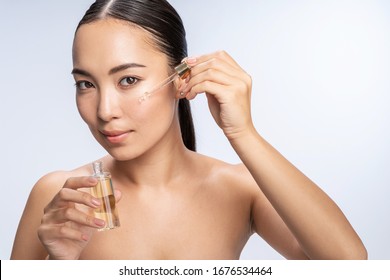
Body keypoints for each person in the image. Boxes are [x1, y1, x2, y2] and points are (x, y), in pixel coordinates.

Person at [11, 0, 366, 260]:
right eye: (85, 84)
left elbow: (350, 265)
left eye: (129, 80)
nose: (105, 111)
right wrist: (60, 265)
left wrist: (243, 134)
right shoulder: (59, 196)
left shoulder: (240, 190)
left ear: (181, 80)